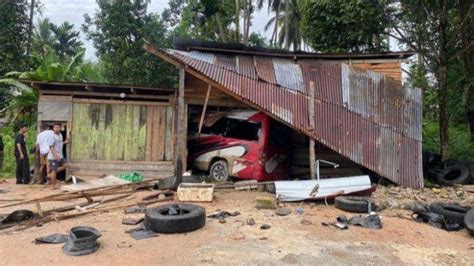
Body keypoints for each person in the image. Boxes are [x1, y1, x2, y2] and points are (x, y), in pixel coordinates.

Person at [47, 123, 69, 188]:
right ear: (53, 128)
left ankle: (50, 175)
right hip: (53, 157)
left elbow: (59, 143)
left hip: (60, 155)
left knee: (66, 165)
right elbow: (51, 147)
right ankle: (53, 185)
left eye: (58, 127)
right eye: (55, 128)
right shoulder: (52, 136)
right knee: (54, 170)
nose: (56, 129)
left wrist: (65, 142)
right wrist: (55, 155)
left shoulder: (60, 135)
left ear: (60, 128)